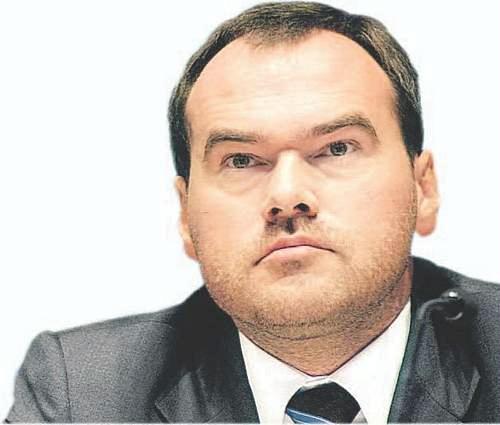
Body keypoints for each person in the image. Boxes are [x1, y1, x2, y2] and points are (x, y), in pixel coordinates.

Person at [5, 2, 499, 423]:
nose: (286, 196)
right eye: (241, 160)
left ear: (422, 187)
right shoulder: (84, 395)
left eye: (337, 148)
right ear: (186, 216)